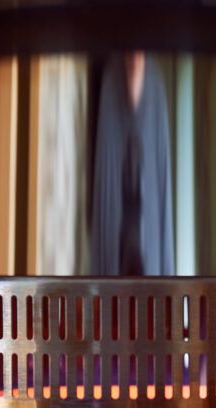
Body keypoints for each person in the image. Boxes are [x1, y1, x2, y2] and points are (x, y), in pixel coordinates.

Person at [91, 53, 174, 276]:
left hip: (150, 262)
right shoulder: (111, 81)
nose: (135, 59)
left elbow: (162, 183)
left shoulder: (155, 83)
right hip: (115, 259)